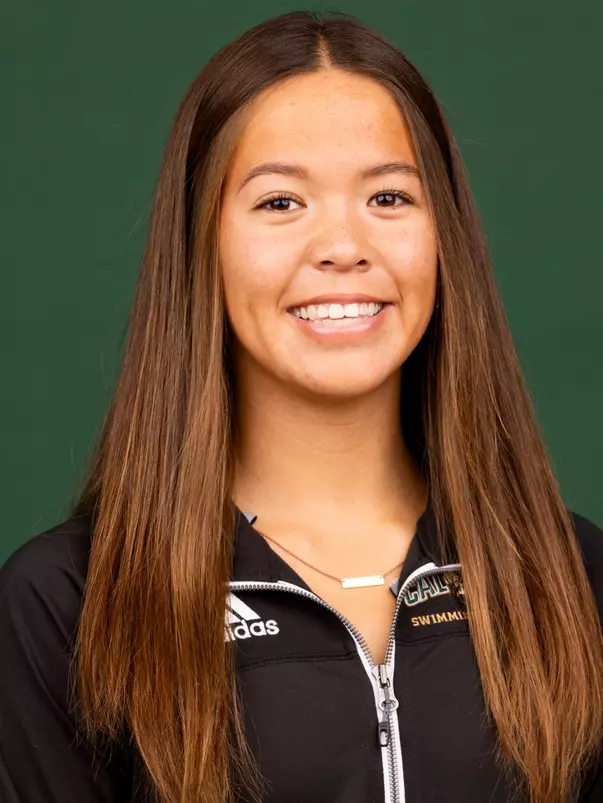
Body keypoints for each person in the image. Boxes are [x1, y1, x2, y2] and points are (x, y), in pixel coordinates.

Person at [1, 9, 602, 803]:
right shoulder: (66, 604)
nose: (343, 244)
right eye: (281, 202)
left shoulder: (572, 579)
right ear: (201, 244)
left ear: (442, 237)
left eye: (389, 197)